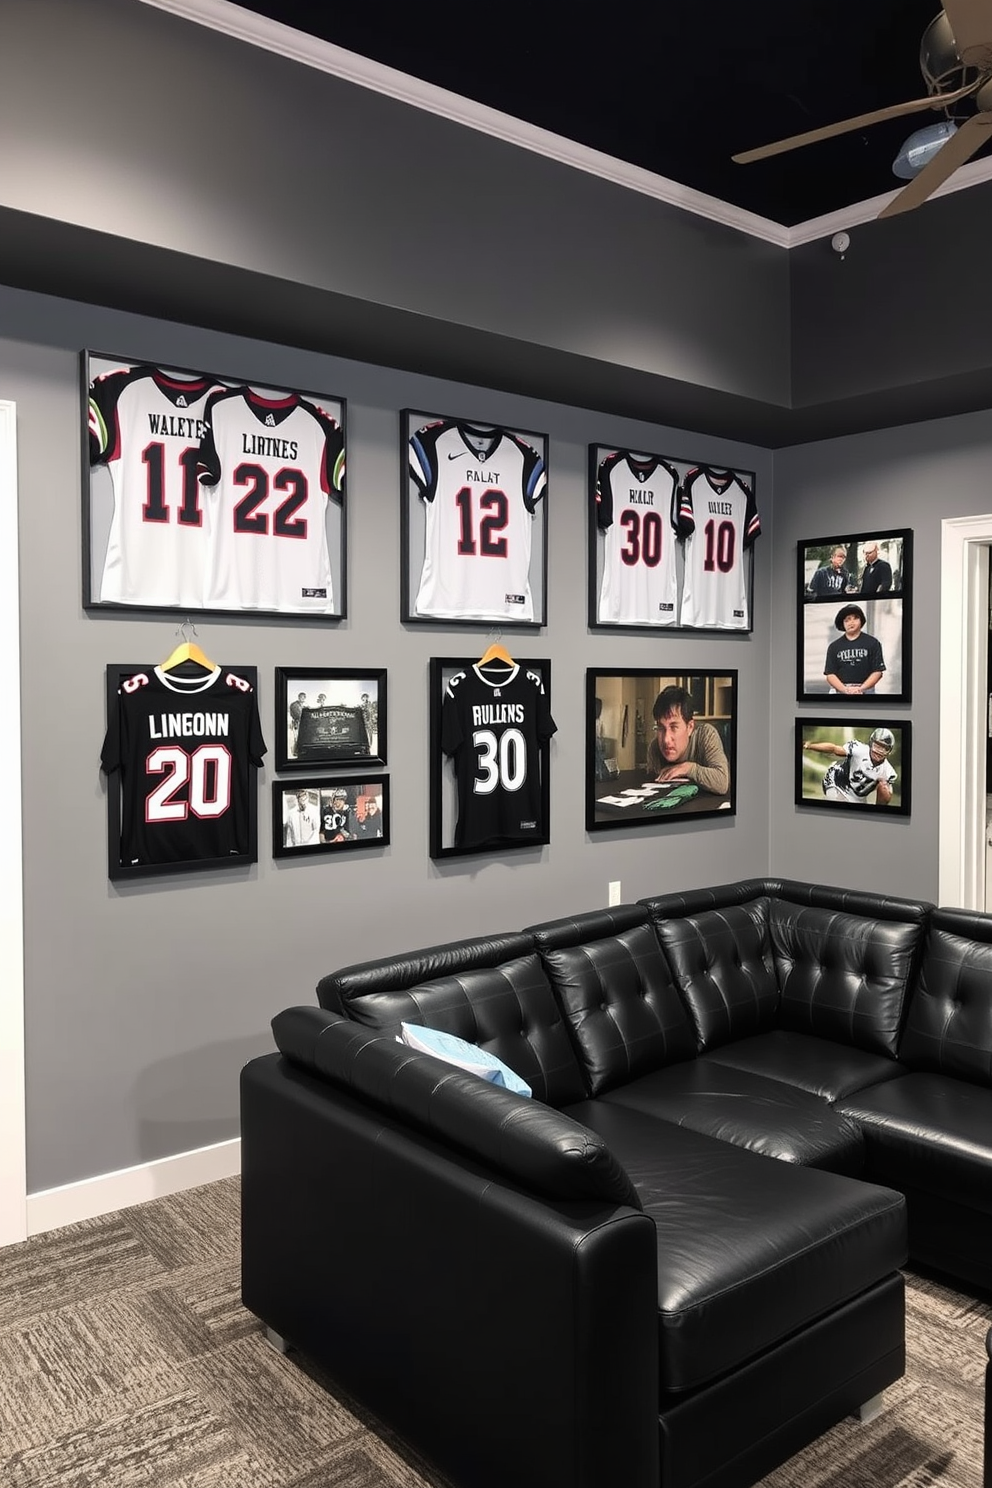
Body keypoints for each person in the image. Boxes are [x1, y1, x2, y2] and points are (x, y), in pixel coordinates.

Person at [644, 685, 730, 796]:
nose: (666, 740)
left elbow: (722, 783)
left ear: (689, 727)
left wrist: (688, 768)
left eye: (674, 727)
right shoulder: (654, 748)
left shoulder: (706, 735)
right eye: (661, 728)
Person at [803, 728, 896, 805]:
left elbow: (885, 799)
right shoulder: (859, 750)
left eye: (884, 748)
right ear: (871, 743)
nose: (879, 751)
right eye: (877, 746)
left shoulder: (888, 772)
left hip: (857, 796)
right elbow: (834, 749)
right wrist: (809, 746)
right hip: (837, 780)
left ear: (889, 751)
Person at [823, 604, 885, 694]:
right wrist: (845, 690)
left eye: (855, 618)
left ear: (861, 621)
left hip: (866, 690)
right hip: (840, 690)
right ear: (842, 624)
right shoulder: (834, 647)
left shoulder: (873, 643)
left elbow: (878, 672)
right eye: (847, 620)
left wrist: (861, 688)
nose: (851, 622)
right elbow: (830, 674)